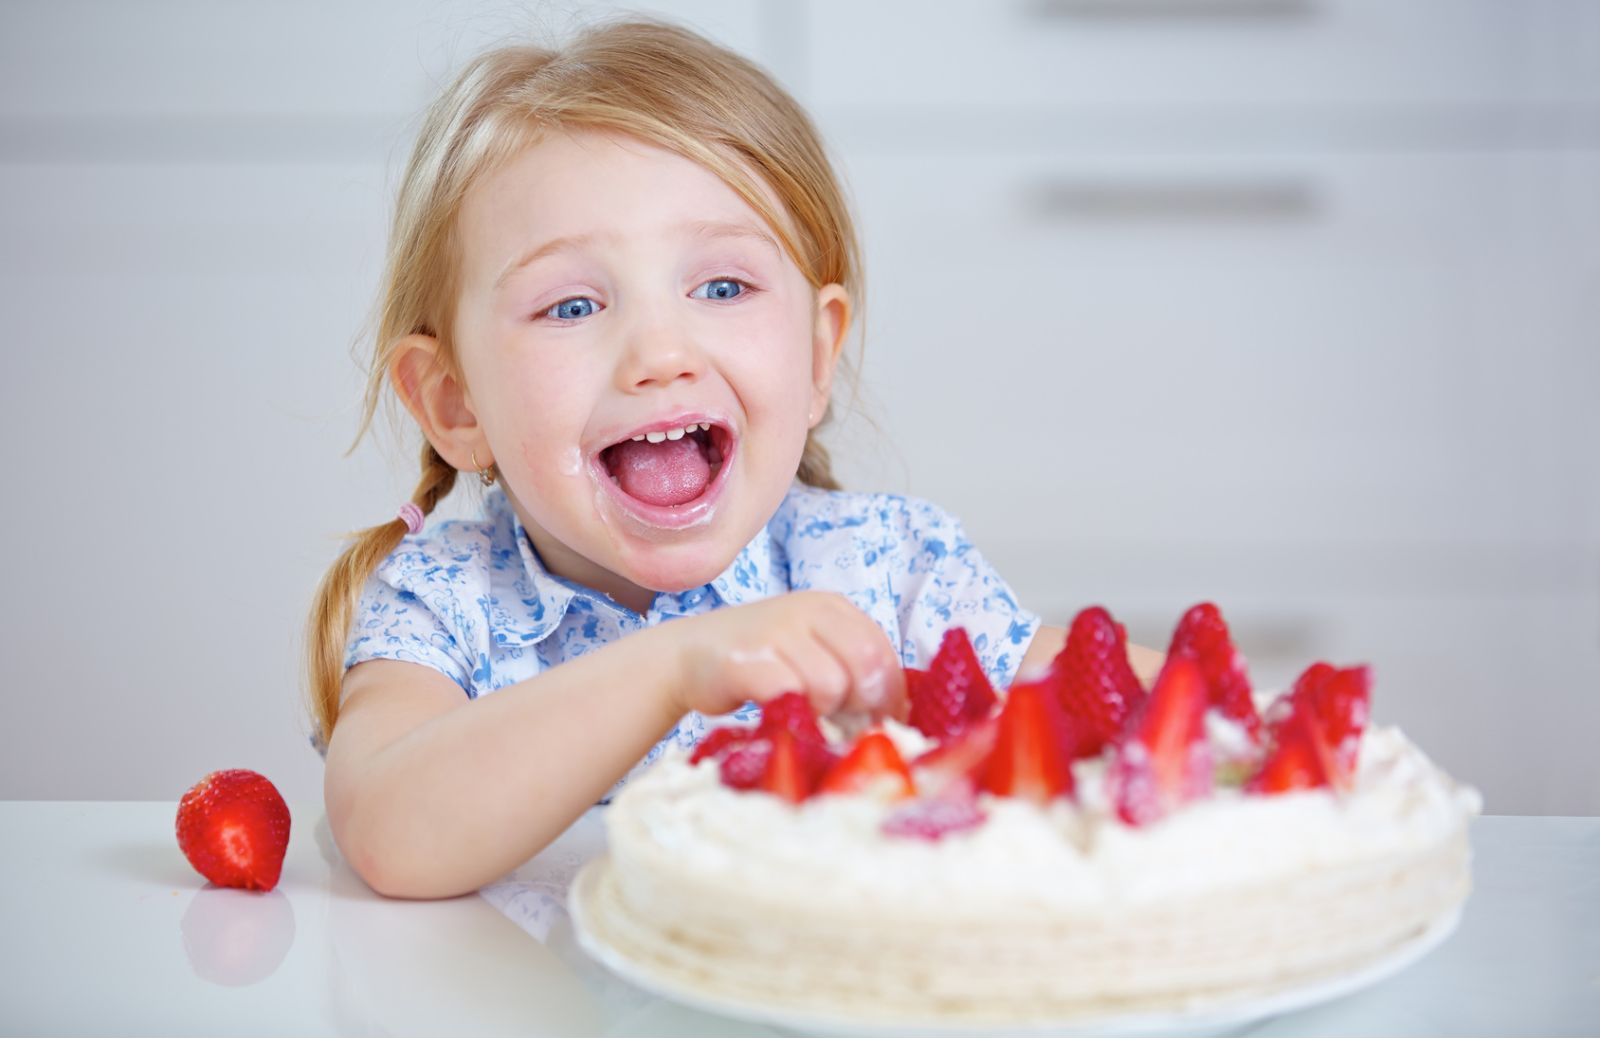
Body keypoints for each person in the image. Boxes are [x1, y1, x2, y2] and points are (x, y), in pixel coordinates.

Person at [306, 18, 1160, 900]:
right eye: (569, 305)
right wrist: (679, 664)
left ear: (818, 355)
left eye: (722, 287)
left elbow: (1168, 715)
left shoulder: (891, 572)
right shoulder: (445, 605)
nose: (659, 352)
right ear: (455, 401)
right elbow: (389, 835)